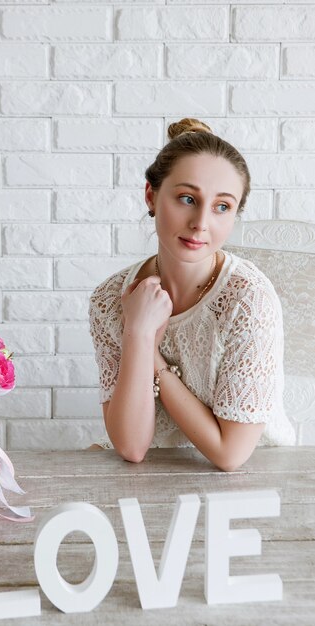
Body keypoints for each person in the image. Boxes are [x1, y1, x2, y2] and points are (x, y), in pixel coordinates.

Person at [88, 118, 296, 471]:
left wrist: (148, 351)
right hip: (154, 477)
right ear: (151, 195)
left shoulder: (247, 298)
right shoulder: (110, 299)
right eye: (187, 198)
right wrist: (136, 330)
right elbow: (132, 447)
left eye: (222, 207)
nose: (201, 222)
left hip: (257, 479)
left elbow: (230, 455)